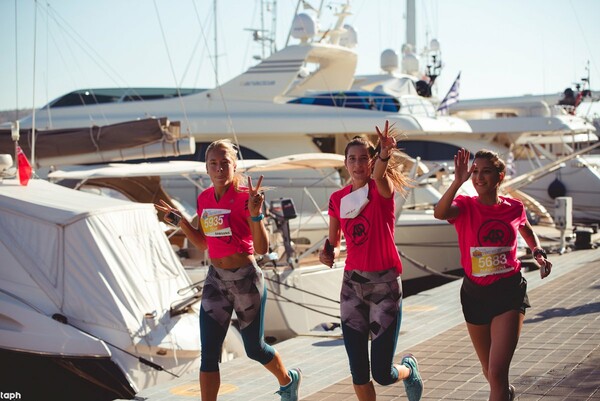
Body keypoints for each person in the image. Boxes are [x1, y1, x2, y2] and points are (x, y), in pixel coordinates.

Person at [155, 139, 301, 401]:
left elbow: (261, 248)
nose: (219, 168)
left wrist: (256, 216)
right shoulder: (204, 198)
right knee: (209, 352)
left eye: (225, 163)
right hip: (216, 281)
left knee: (254, 349)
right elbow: (202, 242)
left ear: (234, 166)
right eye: (214, 163)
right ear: (207, 168)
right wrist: (179, 221)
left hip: (245, 279)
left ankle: (288, 380)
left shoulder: (247, 198)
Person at [433, 148, 552, 401]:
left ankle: (501, 390)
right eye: (475, 172)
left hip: (508, 292)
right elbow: (440, 213)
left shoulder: (513, 207)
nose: (478, 177)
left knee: (497, 372)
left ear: (500, 176)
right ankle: (505, 394)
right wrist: (457, 181)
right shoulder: (464, 206)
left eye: (486, 171)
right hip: (474, 294)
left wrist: (537, 251)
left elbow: (527, 229)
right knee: (489, 371)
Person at [319, 120, 423, 401]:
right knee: (358, 372)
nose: (357, 164)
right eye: (352, 159)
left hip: (385, 287)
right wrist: (327, 252)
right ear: (345, 163)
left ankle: (408, 371)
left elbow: (379, 175)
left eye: (363, 158)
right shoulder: (337, 198)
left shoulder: (380, 189)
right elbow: (334, 241)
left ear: (371, 161)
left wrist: (385, 154)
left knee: (382, 373)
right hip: (352, 286)